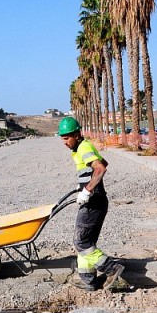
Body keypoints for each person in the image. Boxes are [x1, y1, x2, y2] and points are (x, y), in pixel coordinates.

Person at [58, 116, 128, 292]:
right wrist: (83, 184)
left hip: (93, 202)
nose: (64, 142)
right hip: (95, 200)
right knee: (86, 242)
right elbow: (103, 162)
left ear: (76, 134)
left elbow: (100, 168)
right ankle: (88, 280)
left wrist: (88, 190)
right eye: (62, 138)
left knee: (81, 241)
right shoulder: (82, 147)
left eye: (67, 138)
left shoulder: (83, 147)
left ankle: (112, 268)